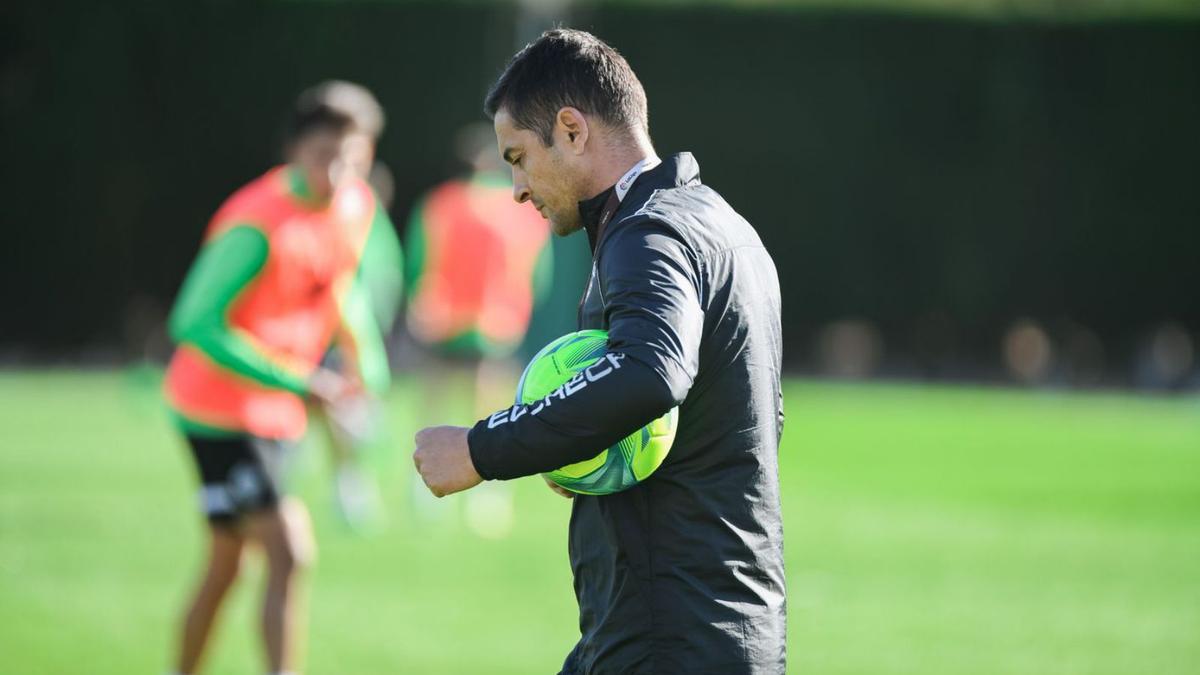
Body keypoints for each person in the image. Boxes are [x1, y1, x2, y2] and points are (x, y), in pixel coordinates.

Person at [412, 29, 787, 674]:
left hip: (669, 633)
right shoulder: (717, 221)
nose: (517, 188)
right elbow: (750, 415)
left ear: (572, 129)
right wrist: (596, 453)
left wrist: (481, 449)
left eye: (519, 156)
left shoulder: (648, 233)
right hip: (690, 622)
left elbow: (648, 371)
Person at [163, 80, 393, 675]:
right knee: (290, 550)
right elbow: (194, 322)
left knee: (228, 564)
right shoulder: (256, 222)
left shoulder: (355, 206)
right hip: (217, 411)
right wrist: (303, 380)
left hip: (274, 411)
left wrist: (364, 357)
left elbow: (339, 283)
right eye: (325, 156)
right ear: (294, 151)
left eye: (355, 157)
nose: (339, 171)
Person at [404, 122, 552, 535]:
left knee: (432, 402)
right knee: (487, 409)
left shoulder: (439, 205)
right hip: (494, 321)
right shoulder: (517, 210)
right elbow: (538, 271)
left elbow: (417, 260)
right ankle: (489, 491)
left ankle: (423, 483)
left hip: (441, 317)